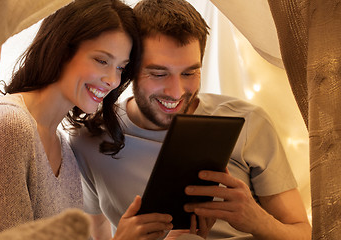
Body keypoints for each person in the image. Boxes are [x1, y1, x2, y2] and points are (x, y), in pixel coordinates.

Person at [70, 0, 312, 239]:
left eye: (189, 72)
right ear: (129, 68)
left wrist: (258, 220)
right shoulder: (88, 140)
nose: (176, 92)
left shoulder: (249, 122)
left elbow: (304, 233)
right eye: (158, 73)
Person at [0, 0, 175, 238]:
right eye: (102, 60)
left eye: (120, 67)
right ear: (62, 49)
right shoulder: (11, 127)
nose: (112, 80)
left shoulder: (64, 148)